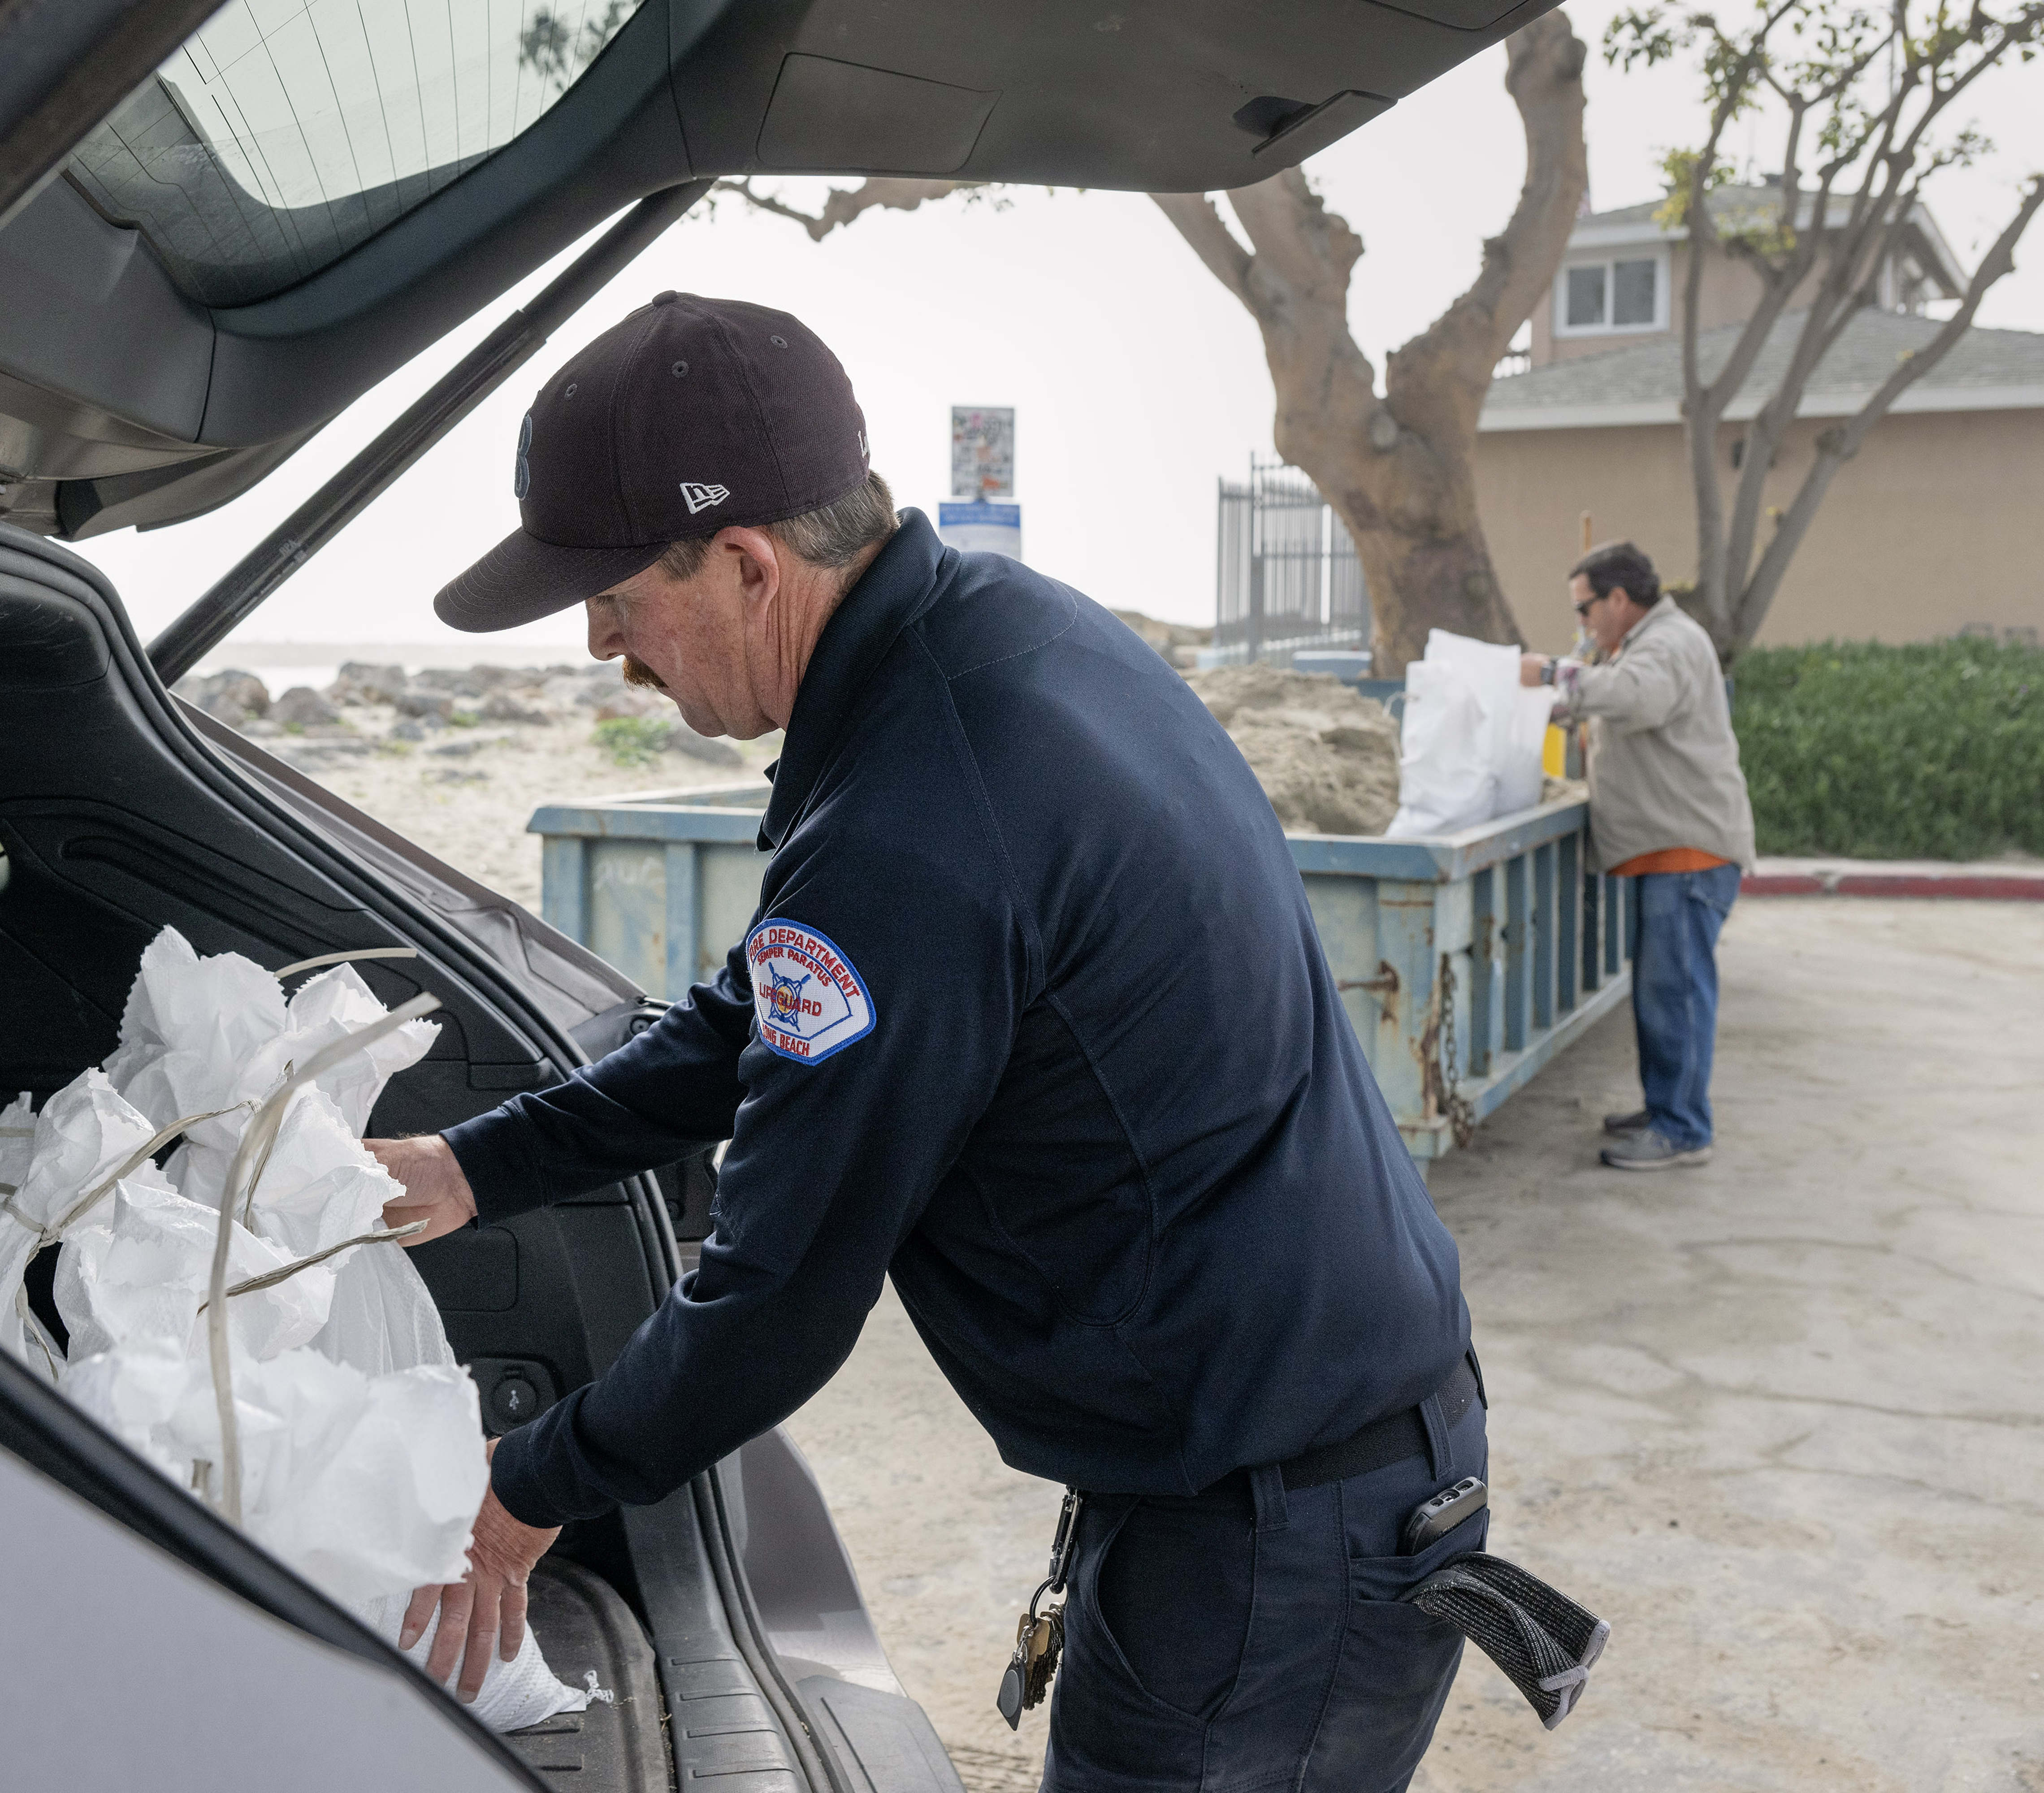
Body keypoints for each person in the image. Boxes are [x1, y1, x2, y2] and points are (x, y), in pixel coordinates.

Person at [367, 292, 1486, 1791]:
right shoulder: (989, 645)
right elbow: (766, 1009)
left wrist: (527, 1494)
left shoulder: (917, 814)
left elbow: (776, 1294)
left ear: (749, 564)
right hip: (1291, 1466)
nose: (601, 647)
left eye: (618, 602)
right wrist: (472, 1161)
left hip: (1279, 1529)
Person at [1521, 541, 1756, 1172]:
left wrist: (1549, 673)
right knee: (1660, 996)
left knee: (1675, 995)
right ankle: (1666, 1108)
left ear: (1620, 599)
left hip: (1689, 855)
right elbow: (1608, 697)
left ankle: (1683, 1129)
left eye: (1585, 608)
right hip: (1668, 855)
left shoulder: (1669, 643)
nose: (1582, 623)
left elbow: (1636, 699)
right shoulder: (1637, 648)